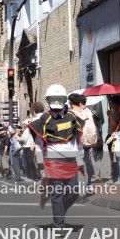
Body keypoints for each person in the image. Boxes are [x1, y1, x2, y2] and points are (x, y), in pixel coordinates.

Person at [28, 85, 85, 230]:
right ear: (48, 100)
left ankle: (59, 212)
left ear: (65, 100)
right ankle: (58, 224)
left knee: (73, 192)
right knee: (57, 193)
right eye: (53, 98)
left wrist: (80, 159)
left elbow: (77, 140)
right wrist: (41, 167)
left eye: (59, 98)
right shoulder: (44, 118)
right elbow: (39, 145)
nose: (57, 101)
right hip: (53, 161)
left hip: (71, 160)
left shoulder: (72, 117)